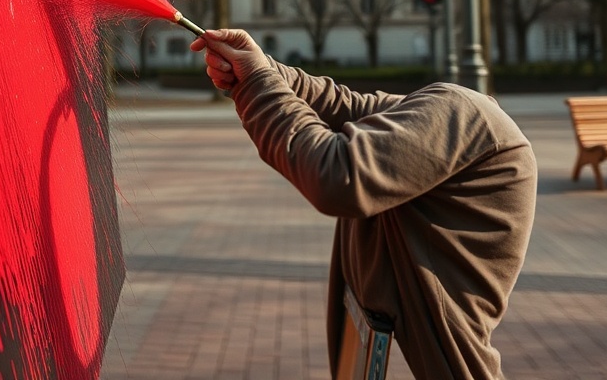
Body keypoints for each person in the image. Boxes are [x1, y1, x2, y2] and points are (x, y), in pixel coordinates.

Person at [191, 29, 537, 380]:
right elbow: (348, 107)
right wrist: (265, 68)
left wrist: (257, 82)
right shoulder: (451, 108)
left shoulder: (465, 118)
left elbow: (337, 175)